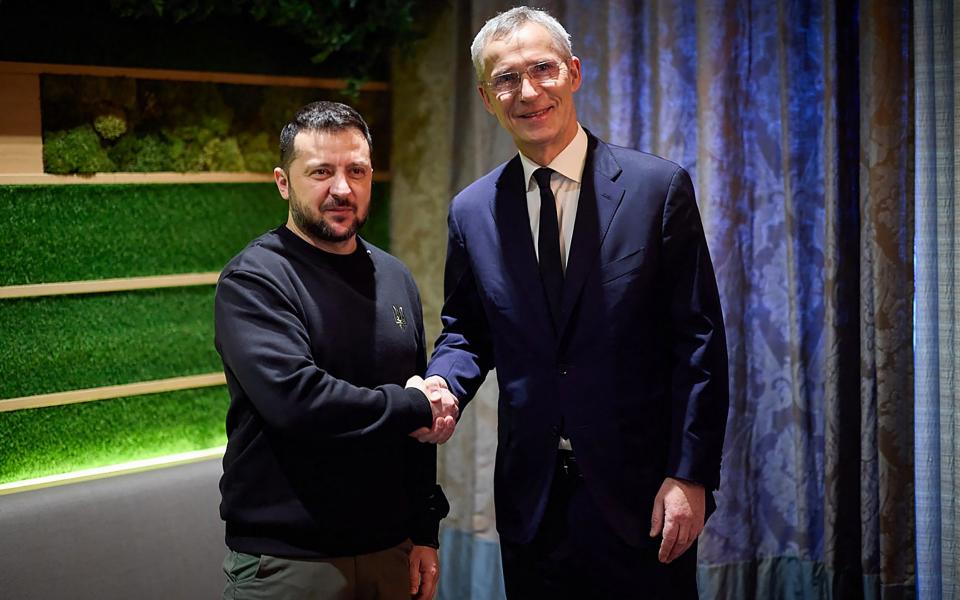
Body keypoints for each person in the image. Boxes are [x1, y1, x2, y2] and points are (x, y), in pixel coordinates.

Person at [422, 7, 729, 598]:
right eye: (506, 79)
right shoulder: (472, 211)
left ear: (574, 73)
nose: (528, 91)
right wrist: (443, 387)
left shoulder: (655, 190)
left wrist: (689, 475)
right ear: (487, 98)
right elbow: (467, 331)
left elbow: (700, 344)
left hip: (643, 497)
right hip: (532, 500)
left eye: (542, 69)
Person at [214, 101, 456, 600]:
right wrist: (413, 405)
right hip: (288, 562)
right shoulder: (255, 279)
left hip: (392, 550)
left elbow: (416, 431)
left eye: (356, 171)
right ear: (283, 182)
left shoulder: (393, 276)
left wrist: (424, 531)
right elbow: (297, 403)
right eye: (321, 172)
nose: (342, 189)